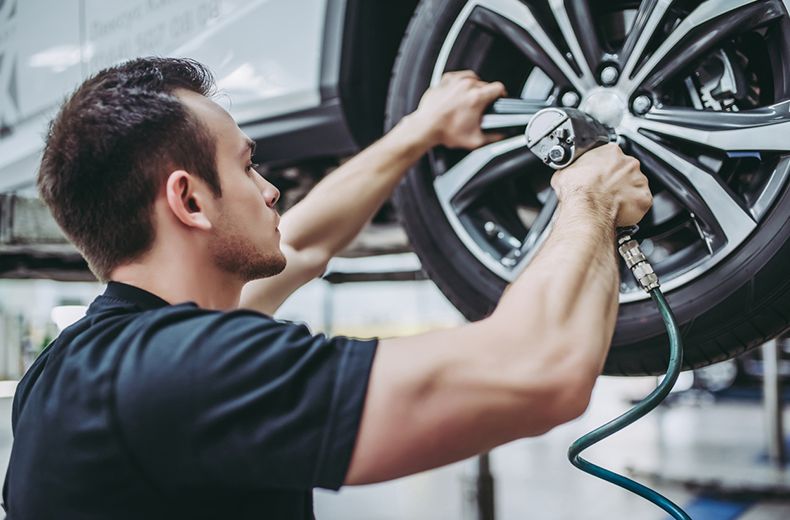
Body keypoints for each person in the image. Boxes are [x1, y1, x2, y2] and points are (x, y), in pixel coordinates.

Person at [2, 57, 651, 519]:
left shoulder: (90, 364)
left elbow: (304, 243)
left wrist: (418, 131)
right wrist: (588, 194)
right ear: (190, 201)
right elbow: (539, 370)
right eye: (247, 165)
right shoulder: (182, 374)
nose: (271, 189)